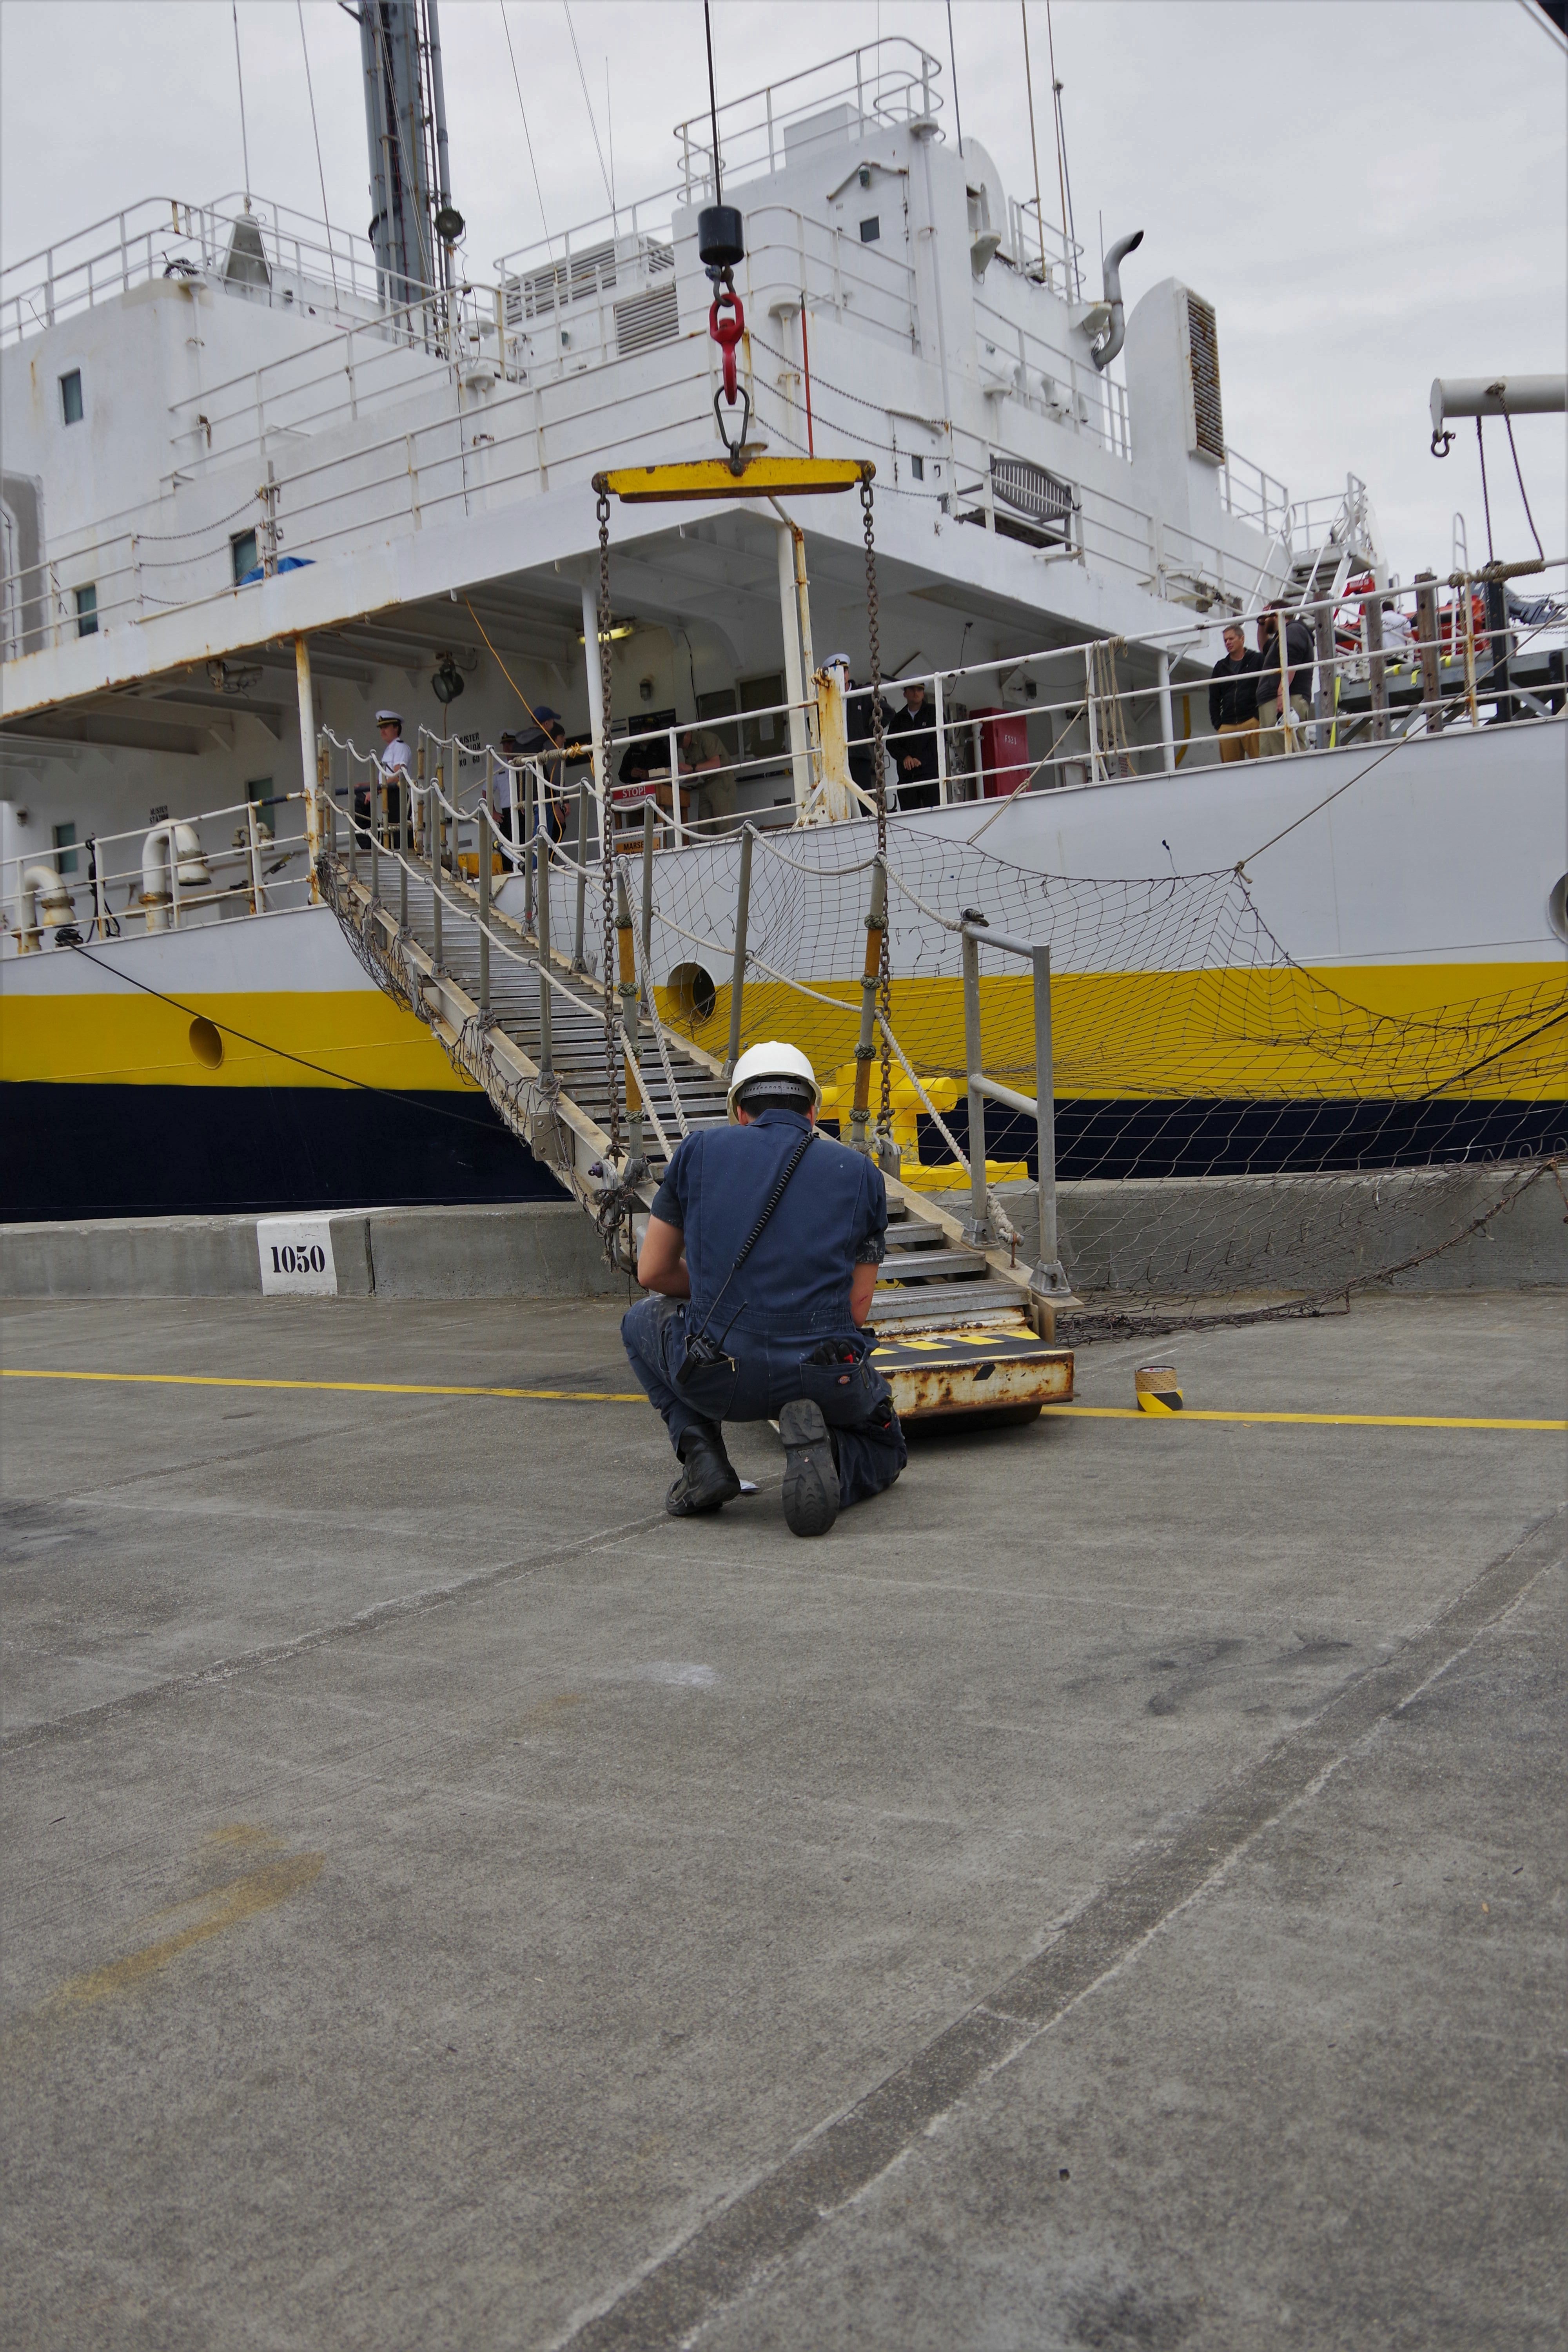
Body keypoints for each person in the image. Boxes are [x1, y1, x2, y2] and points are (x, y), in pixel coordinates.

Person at [621, 1040, 907, 1537]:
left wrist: (715, 1293)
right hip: (825, 1376)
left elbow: (653, 1272)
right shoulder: (861, 1172)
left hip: (721, 1377)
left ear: (738, 1111)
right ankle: (832, 1457)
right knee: (887, 1447)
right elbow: (857, 1310)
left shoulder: (698, 1152)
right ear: (813, 1110)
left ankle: (703, 1461)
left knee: (639, 1321)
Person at [1256, 604, 1314, 756]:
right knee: (1270, 754)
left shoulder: (1294, 630)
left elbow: (1291, 661)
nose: (1264, 619)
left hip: (1286, 698)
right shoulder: (1281, 636)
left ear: (1276, 615)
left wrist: (1282, 694)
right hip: (1273, 700)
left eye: (1267, 616)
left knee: (1288, 751)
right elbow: (1264, 647)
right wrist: (1262, 623)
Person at [1208, 622, 1262, 762]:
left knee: (1262, 765)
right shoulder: (1220, 667)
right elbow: (1214, 698)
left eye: (1231, 639)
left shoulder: (1257, 660)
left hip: (1252, 721)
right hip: (1227, 725)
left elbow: (1265, 687)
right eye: (1226, 640)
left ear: (1242, 639)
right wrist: (1218, 724)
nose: (1228, 643)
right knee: (1231, 772)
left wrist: (1257, 717)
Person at [884, 679, 941, 809]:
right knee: (909, 815)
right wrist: (905, 757)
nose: (916, 693)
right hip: (907, 777)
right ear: (905, 694)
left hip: (930, 775)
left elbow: (938, 740)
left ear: (923, 693)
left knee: (935, 815)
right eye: (912, 690)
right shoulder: (898, 719)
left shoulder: (934, 713)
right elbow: (892, 744)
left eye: (919, 690)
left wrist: (922, 759)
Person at [679, 725, 735, 827]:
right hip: (706, 783)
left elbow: (716, 764)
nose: (680, 746)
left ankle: (728, 843)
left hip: (721, 780)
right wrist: (676, 779)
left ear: (687, 733)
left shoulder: (706, 738)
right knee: (704, 829)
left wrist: (691, 767)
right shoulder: (686, 748)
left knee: (723, 825)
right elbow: (694, 776)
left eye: (680, 742)